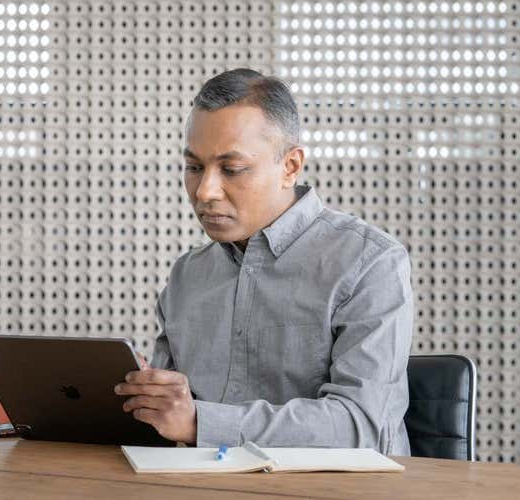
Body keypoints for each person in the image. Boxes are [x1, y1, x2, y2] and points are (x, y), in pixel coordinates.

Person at [114, 68, 414, 455]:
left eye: (232, 169)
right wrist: (147, 400)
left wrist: (200, 422)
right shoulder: (188, 274)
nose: (205, 191)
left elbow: (362, 427)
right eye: (194, 167)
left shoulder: (370, 263)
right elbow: (169, 421)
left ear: (290, 166)